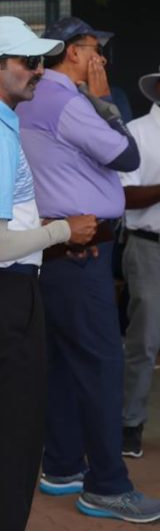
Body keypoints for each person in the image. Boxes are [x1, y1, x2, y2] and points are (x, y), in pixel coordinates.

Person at [16, 16, 159, 522]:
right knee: (101, 366)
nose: (101, 61)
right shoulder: (66, 99)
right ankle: (106, 484)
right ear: (72, 53)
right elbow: (126, 153)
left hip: (58, 250)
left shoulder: (35, 97)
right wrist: (105, 99)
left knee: (62, 362)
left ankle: (61, 464)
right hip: (82, 252)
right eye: (93, 50)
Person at [0, 16, 99, 531]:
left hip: (0, 295)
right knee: (11, 445)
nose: (41, 70)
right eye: (29, 61)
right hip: (7, 296)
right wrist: (63, 232)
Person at [120, 73, 160, 459]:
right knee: (145, 341)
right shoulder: (137, 132)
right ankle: (130, 423)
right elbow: (125, 196)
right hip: (149, 246)